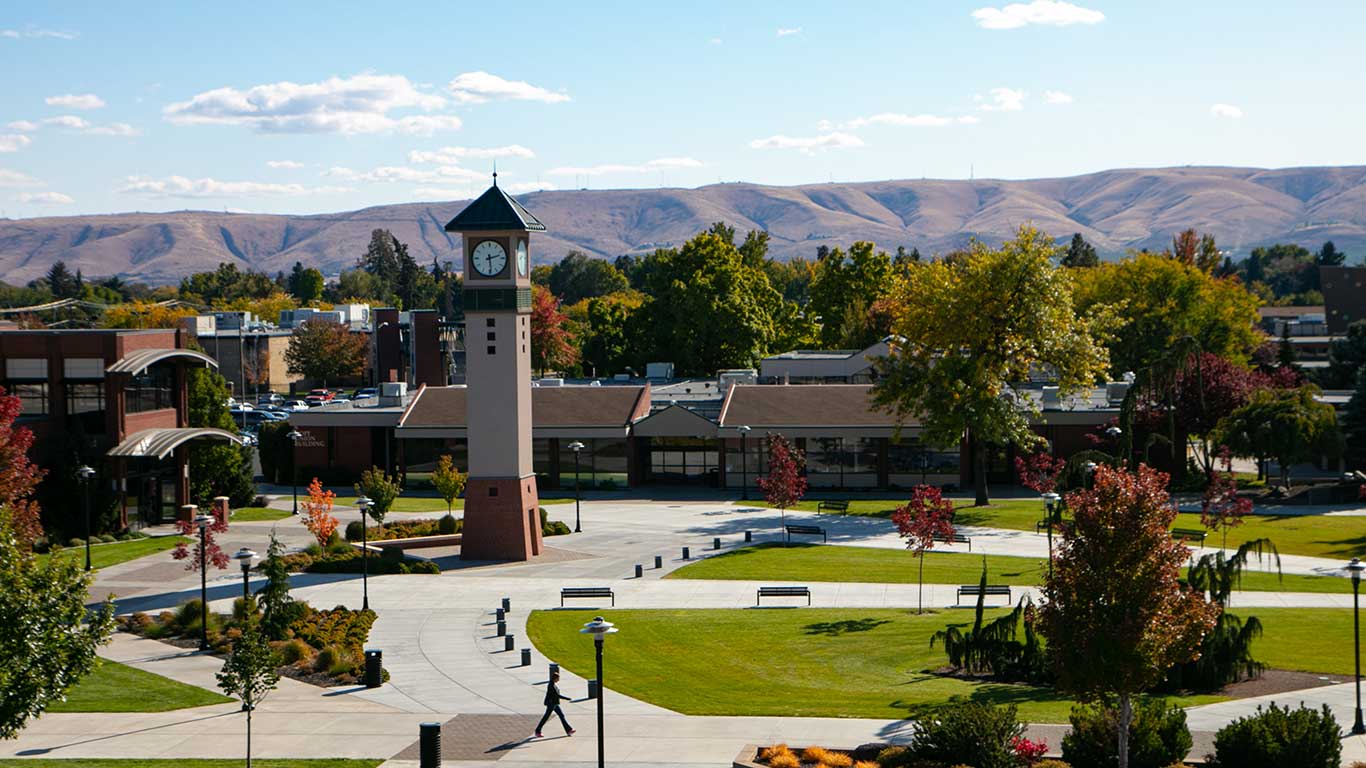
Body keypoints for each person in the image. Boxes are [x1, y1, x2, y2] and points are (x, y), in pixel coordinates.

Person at [535, 670, 574, 738]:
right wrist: (567, 698)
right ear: (555, 678)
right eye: (558, 678)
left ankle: (569, 730)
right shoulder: (551, 685)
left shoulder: (552, 684)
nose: (558, 680)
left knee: (561, 715)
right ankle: (537, 731)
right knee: (546, 717)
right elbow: (557, 695)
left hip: (555, 703)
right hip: (551, 704)